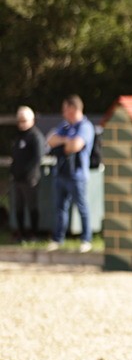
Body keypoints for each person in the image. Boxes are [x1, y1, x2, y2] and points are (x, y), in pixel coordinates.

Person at [45, 95, 95, 252]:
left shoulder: (85, 126)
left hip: (77, 175)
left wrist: (63, 142)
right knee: (60, 208)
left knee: (82, 208)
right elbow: (50, 140)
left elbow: (75, 146)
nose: (63, 113)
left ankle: (86, 240)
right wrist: (66, 141)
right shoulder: (65, 126)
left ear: (73, 109)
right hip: (61, 173)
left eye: (65, 109)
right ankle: (58, 239)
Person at [10, 106, 46, 243]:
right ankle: (21, 233)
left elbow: (38, 158)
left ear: (32, 120)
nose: (21, 123)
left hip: (30, 178)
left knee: (32, 206)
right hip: (17, 178)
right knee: (18, 207)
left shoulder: (35, 136)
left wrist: (27, 172)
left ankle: (33, 234)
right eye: (19, 120)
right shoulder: (18, 136)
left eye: (24, 120)